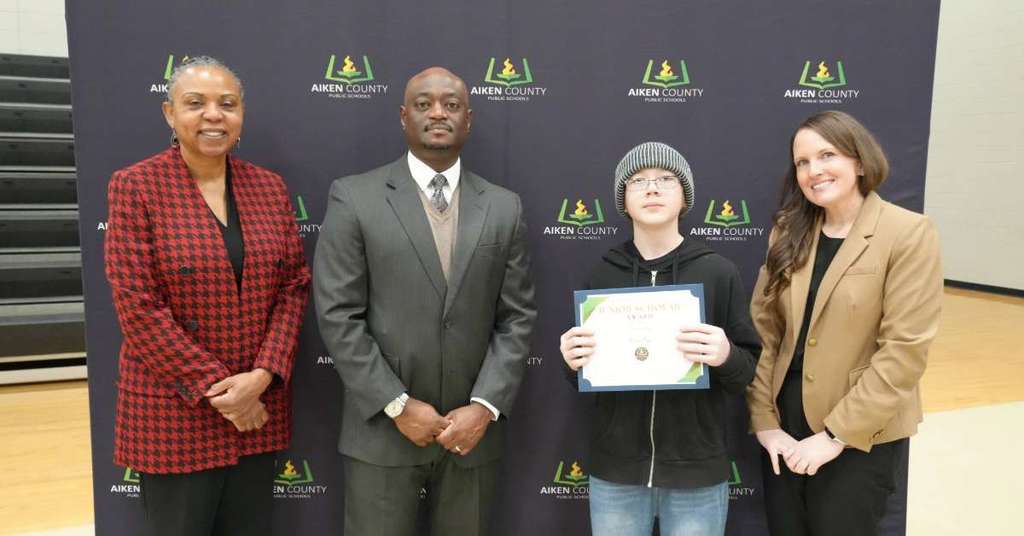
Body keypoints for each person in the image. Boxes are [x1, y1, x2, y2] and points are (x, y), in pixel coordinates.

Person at [313, 66, 537, 536]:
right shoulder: (354, 197)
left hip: (471, 434)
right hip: (381, 432)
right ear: (403, 116)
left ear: (468, 119)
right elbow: (338, 315)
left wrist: (485, 407)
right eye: (424, 104)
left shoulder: (504, 206)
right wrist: (396, 404)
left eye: (451, 105)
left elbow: (516, 318)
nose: (438, 113)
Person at [104, 56, 310, 536]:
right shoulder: (135, 186)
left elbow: (293, 285)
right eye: (195, 103)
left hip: (256, 411)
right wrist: (226, 393)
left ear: (241, 115)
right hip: (176, 412)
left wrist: (262, 376)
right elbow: (138, 307)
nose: (213, 115)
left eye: (227, 104)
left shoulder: (268, 187)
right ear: (169, 113)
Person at [746, 110, 942, 535]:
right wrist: (765, 421)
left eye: (827, 155)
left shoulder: (908, 232)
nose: (813, 170)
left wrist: (835, 436)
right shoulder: (787, 231)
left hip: (861, 432)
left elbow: (904, 351)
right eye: (802, 162)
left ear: (859, 160)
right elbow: (763, 332)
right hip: (785, 428)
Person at [559, 141, 760, 536]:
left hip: (697, 473)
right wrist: (571, 361)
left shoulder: (718, 272)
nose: (652, 188)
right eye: (638, 181)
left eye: (666, 179)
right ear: (623, 199)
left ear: (685, 196)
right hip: (616, 472)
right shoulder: (602, 275)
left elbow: (746, 373)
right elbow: (583, 377)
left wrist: (725, 354)